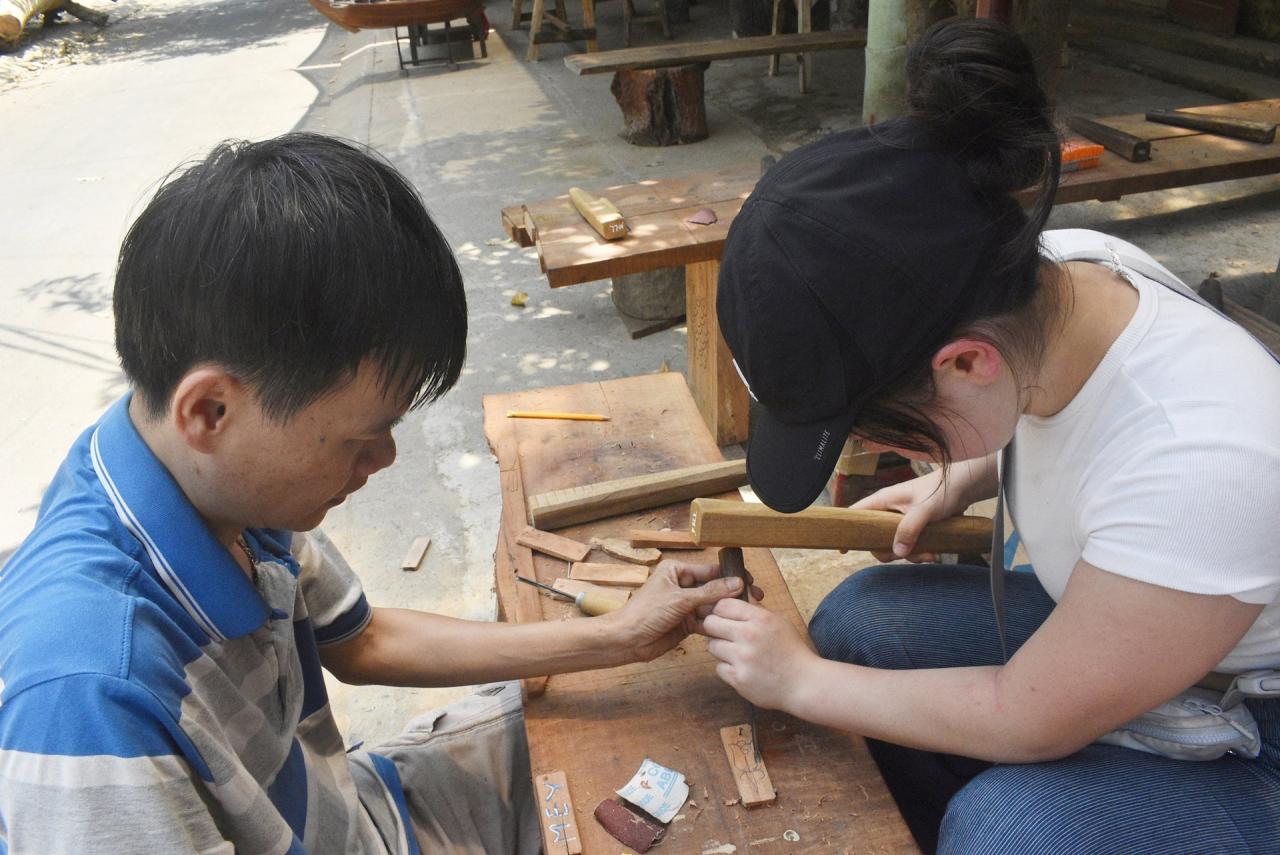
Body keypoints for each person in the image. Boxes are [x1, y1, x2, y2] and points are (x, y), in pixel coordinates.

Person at [0, 134, 745, 854]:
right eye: (361, 438)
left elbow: (362, 641)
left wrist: (621, 636)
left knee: (648, 732)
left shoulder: (205, 478)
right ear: (209, 411)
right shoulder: (89, 701)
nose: (384, 459)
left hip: (355, 813)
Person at [701, 16, 1280, 855]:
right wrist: (965, 473)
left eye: (896, 433)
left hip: (1256, 722)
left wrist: (799, 683)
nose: (905, 450)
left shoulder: (1205, 460)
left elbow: (1032, 715)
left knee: (1010, 829)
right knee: (864, 621)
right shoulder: (1053, 275)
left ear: (966, 363)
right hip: (1167, 635)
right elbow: (1074, 418)